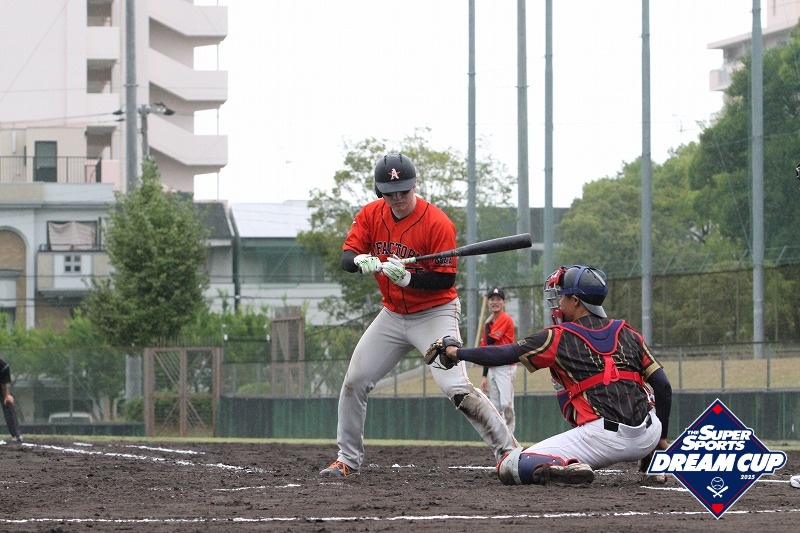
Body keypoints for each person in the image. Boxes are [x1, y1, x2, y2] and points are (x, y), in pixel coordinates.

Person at [319, 153, 518, 477]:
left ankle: (510, 453)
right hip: (392, 314)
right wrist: (359, 261)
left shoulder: (437, 222)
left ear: (414, 187)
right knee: (354, 381)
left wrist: (409, 279)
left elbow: (445, 280)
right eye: (390, 192)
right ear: (379, 191)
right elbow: (347, 256)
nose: (397, 198)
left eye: (403, 191)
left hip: (435, 313)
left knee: (455, 387)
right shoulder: (370, 214)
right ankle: (347, 460)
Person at [427, 265, 672, 485]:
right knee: (635, 395)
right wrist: (659, 439)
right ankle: (653, 463)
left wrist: (456, 352)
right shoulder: (628, 332)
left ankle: (564, 468)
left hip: (603, 439)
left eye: (562, 296)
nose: (558, 302)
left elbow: (505, 353)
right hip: (647, 434)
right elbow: (663, 387)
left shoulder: (558, 335)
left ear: (575, 301)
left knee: (511, 465)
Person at [479, 287, 517, 433]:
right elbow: (486, 351)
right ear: (488, 302)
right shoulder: (489, 323)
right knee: (495, 406)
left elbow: (490, 340)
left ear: (504, 302)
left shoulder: (504, 318)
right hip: (493, 368)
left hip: (506, 366)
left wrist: (487, 325)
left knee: (506, 404)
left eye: (498, 299)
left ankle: (510, 438)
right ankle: (500, 438)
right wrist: (484, 375)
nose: (495, 302)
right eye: (492, 299)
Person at [1, 357, 23, 443]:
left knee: (8, 402)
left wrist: (6, 396)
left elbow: (4, 383)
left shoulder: (3, 366)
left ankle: (16, 435)